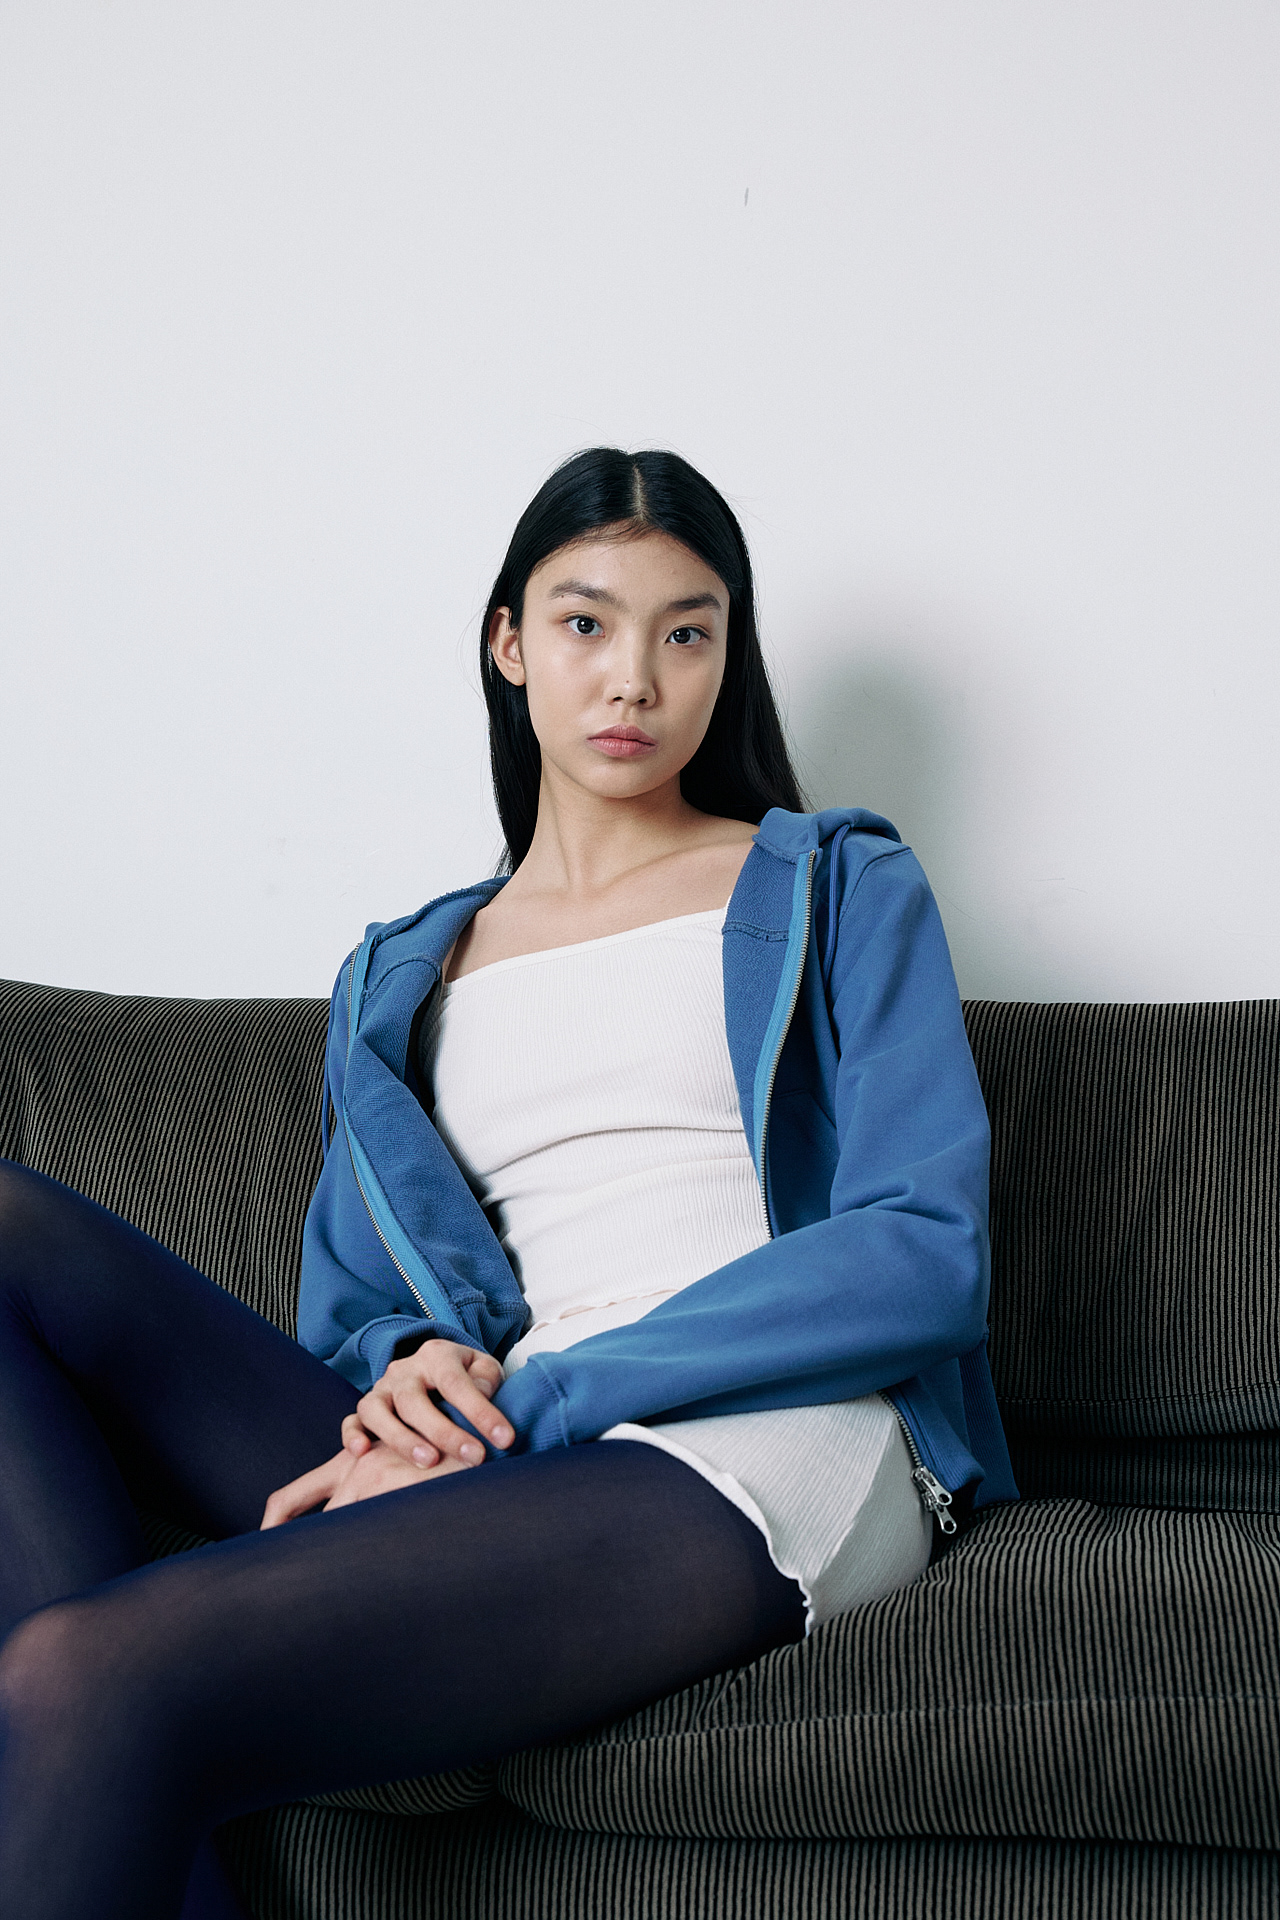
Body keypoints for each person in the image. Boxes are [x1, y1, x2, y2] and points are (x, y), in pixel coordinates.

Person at [0, 447, 1016, 1919]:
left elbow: (923, 1254)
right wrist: (414, 1369)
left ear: (729, 662)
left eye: (686, 633)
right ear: (510, 643)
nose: (634, 679)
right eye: (586, 623)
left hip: (753, 1436)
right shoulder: (403, 971)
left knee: (85, 1669)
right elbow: (361, 1302)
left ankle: (102, 1727)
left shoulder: (837, 885)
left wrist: (537, 1404)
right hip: (500, 1432)